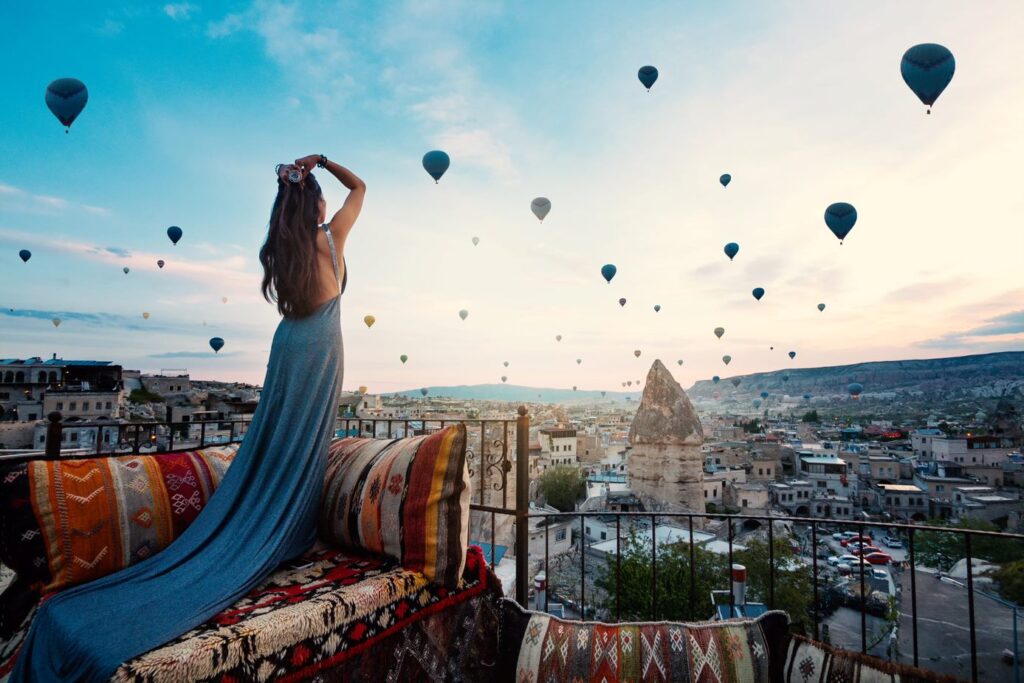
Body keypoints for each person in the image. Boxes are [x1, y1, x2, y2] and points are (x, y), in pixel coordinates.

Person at [11, 154, 365, 682]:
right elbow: (360, 187)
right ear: (314, 202)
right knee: (307, 440)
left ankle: (270, 516)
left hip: (290, 343)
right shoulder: (331, 236)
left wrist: (302, 174)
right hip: (322, 345)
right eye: (317, 195)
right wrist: (326, 161)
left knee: (276, 437)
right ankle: (291, 526)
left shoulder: (281, 248)